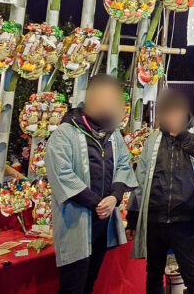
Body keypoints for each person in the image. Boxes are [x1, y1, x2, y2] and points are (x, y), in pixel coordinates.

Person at [45, 75, 137, 294]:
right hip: (76, 221)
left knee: (90, 282)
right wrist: (97, 203)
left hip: (102, 224)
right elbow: (61, 174)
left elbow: (124, 163)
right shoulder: (65, 133)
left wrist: (114, 196)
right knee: (72, 286)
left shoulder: (112, 134)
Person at [127, 89, 194, 294]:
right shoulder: (153, 140)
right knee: (153, 274)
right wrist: (133, 216)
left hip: (184, 222)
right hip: (155, 221)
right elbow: (141, 179)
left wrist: (183, 136)